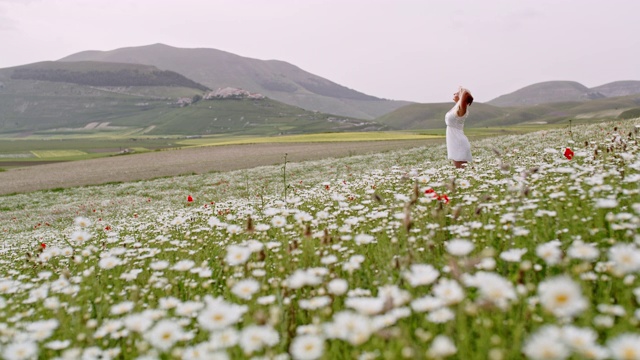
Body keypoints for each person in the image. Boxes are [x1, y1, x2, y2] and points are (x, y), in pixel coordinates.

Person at [445, 87, 474, 168]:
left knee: (461, 171)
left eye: (457, 93)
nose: (454, 93)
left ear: (461, 96)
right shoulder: (455, 108)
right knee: (460, 171)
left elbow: (465, 92)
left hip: (458, 142)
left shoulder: (462, 109)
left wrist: (462, 90)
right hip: (454, 141)